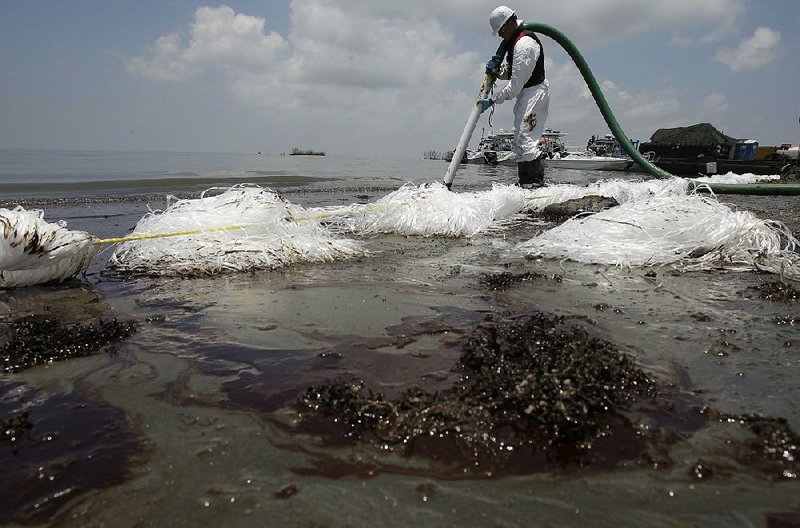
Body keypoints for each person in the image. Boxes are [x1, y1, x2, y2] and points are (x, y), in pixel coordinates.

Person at [478, 6, 550, 187]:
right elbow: (514, 73)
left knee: (526, 138)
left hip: (534, 94)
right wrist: (498, 72)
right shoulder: (515, 43)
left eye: (501, 30)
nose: (501, 35)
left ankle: (534, 184)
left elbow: (515, 87)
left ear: (510, 23)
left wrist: (493, 100)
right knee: (519, 141)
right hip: (527, 93)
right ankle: (525, 184)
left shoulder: (524, 45)